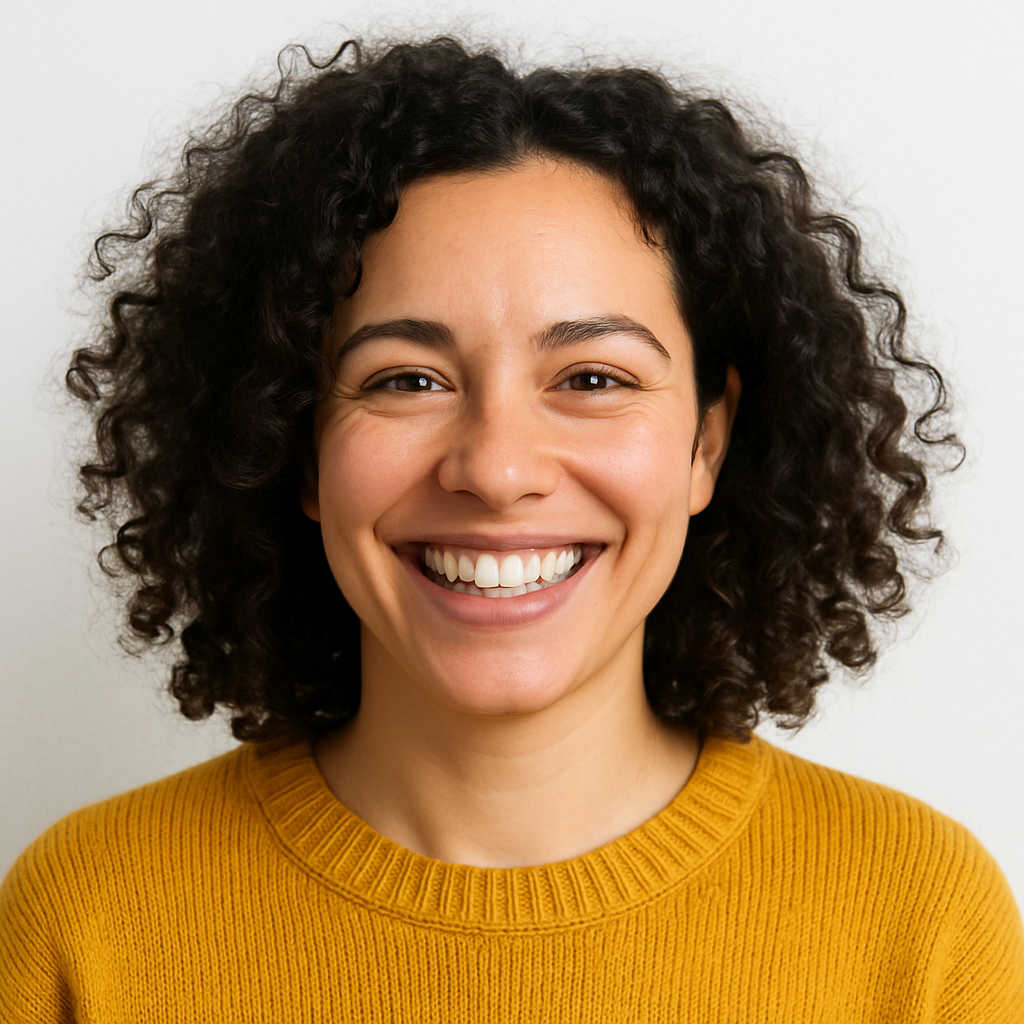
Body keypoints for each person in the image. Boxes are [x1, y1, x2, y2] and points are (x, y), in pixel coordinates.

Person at [1, 35, 1021, 1022]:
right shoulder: (87, 922)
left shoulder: (921, 925)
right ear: (297, 443)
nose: (495, 470)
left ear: (706, 443)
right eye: (406, 380)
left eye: (593, 378)